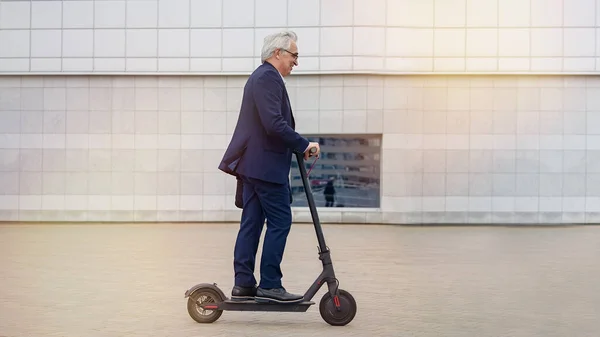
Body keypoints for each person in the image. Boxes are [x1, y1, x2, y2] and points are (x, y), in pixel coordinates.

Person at [218, 30, 320, 304]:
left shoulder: (262, 78)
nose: (296, 62)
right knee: (280, 221)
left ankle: (243, 285)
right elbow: (274, 124)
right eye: (294, 55)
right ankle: (271, 284)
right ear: (278, 53)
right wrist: (303, 144)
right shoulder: (266, 78)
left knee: (251, 223)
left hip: (255, 166)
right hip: (265, 167)